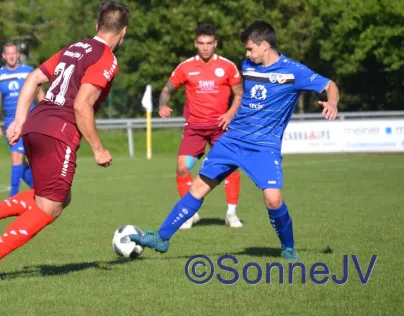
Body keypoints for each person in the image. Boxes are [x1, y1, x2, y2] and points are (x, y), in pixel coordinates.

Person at [130, 20, 339, 260]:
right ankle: (161, 238)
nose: (247, 54)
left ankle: (288, 246)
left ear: (264, 46)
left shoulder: (294, 71)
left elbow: (330, 85)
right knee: (198, 187)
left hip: (264, 146)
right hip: (232, 140)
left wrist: (332, 102)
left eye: (250, 48)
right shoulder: (248, 66)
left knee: (273, 199)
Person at [0, 0, 131, 280]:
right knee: (51, 207)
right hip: (58, 132)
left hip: (35, 125)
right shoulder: (106, 58)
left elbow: (33, 79)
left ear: (96, 26)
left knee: (58, 197)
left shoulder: (74, 48)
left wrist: (19, 121)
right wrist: (99, 149)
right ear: (123, 32)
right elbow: (81, 105)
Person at [159, 24, 244, 229]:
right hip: (194, 128)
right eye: (201, 43)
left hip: (220, 127)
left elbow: (239, 94)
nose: (205, 47)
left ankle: (231, 214)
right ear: (195, 44)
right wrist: (163, 104)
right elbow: (167, 89)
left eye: (209, 43)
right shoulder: (185, 67)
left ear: (215, 43)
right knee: (182, 169)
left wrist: (230, 113)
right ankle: (189, 214)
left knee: (231, 167)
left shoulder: (228, 66)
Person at [0, 43, 45, 196]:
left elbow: (40, 94)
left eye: (14, 53)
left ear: (18, 55)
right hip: (10, 123)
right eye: (8, 53)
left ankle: (12, 198)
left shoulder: (28, 71)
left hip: (30, 120)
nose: (12, 56)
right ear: (4, 56)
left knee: (18, 157)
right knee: (20, 161)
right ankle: (38, 192)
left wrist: (47, 115)